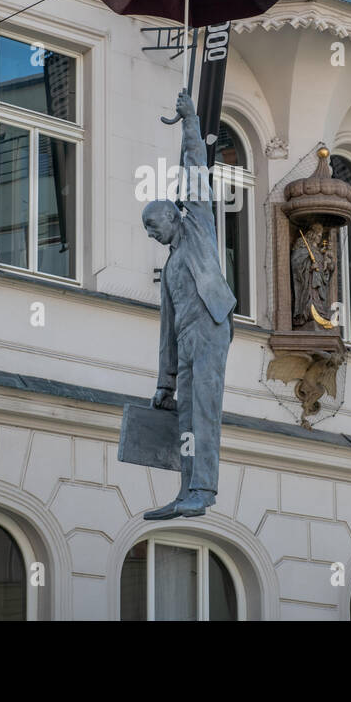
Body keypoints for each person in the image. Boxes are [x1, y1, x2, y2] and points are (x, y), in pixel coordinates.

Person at [141, 89, 236, 518]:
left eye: (152, 224)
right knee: (184, 417)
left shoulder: (197, 228)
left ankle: (204, 488)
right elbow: (166, 332)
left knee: (204, 410)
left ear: (173, 216)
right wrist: (165, 382)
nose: (150, 233)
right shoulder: (171, 266)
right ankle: (186, 490)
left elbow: (196, 174)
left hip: (211, 328)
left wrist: (190, 126)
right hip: (187, 339)